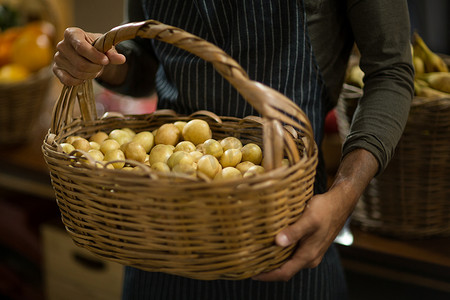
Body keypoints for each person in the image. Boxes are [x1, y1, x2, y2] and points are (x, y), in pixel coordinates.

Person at [53, 0, 414, 299]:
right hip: (163, 241)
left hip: (286, 240)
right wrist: (99, 61)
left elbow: (391, 71)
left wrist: (344, 195)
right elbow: (147, 60)